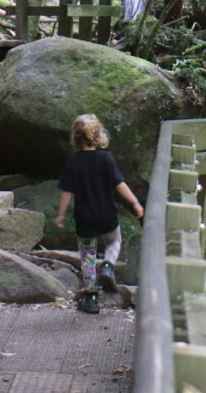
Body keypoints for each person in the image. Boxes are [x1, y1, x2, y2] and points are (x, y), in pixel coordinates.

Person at [55, 114, 144, 314]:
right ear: (98, 136)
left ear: (75, 138)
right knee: (114, 242)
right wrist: (135, 203)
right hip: (106, 217)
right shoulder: (106, 158)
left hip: (85, 220)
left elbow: (67, 192)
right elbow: (119, 184)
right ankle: (107, 266)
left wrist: (60, 215)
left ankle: (91, 297)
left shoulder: (73, 163)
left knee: (87, 256)